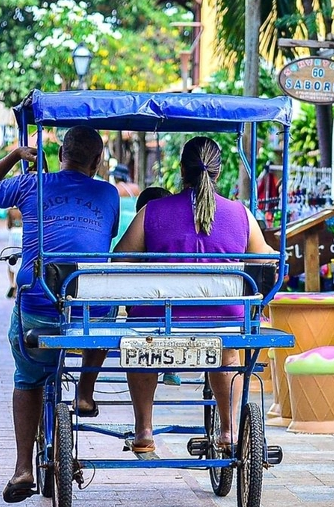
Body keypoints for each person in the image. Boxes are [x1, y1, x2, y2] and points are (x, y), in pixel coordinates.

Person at [0, 127, 120, 503]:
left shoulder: (30, 184)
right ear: (97, 162)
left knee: (29, 376)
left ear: (62, 153)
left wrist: (15, 156)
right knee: (106, 307)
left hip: (39, 305)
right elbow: (106, 236)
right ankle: (85, 392)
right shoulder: (109, 193)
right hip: (89, 313)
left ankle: (22, 469)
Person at [114, 137, 272, 455]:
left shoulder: (152, 211)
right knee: (229, 355)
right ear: (218, 171)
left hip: (159, 323)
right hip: (223, 323)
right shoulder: (241, 215)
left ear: (181, 170)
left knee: (142, 345)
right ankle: (228, 431)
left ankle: (144, 429)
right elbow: (266, 261)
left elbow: (119, 260)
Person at [5, 206, 22, 299]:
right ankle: (16, 285)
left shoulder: (11, 210)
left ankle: (11, 283)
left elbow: (8, 225)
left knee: (10, 259)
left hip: (13, 232)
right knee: (20, 260)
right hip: (22, 233)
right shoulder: (22, 209)